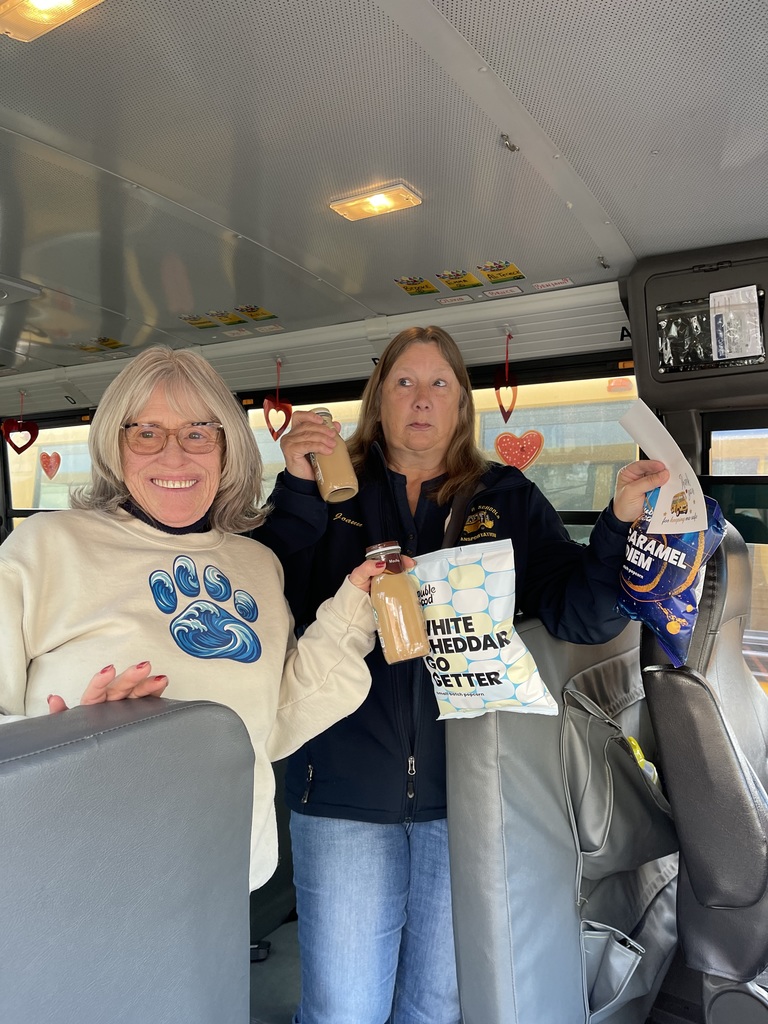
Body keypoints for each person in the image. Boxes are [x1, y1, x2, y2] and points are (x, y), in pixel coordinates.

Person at [258, 324, 669, 1024]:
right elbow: (268, 596)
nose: (421, 399)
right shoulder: (330, 496)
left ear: (461, 405)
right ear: (378, 399)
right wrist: (297, 491)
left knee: (438, 1004)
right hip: (340, 793)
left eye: (439, 383)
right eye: (404, 383)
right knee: (342, 1010)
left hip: (468, 792)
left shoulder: (508, 497)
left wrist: (620, 525)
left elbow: (581, 614)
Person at [0, 346, 391, 892]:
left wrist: (354, 604)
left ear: (227, 448)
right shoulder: (46, 547)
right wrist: (74, 737)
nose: (175, 457)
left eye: (198, 433)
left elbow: (275, 721)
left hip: (220, 873)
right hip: (75, 875)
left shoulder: (256, 564)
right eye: (147, 433)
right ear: (116, 446)